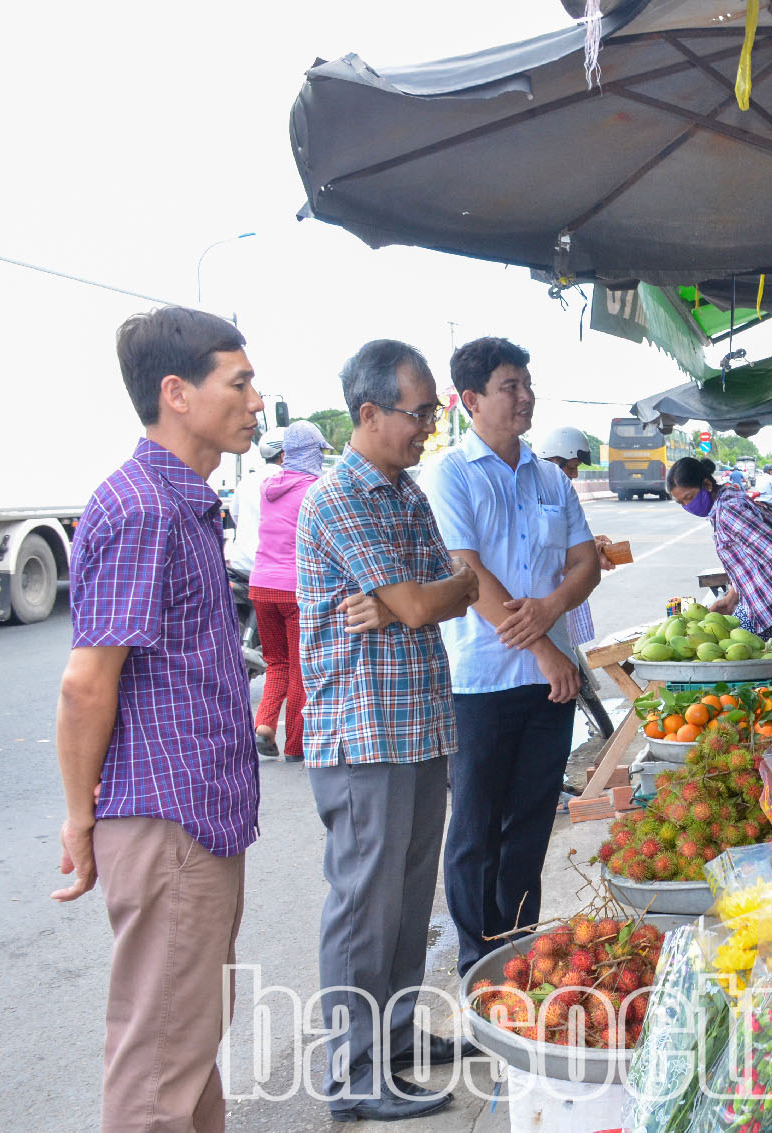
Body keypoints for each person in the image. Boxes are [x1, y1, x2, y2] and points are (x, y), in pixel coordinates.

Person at [52, 306, 263, 1133]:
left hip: (196, 816)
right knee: (157, 1075)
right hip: (167, 821)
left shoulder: (183, 503)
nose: (255, 400)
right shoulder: (143, 506)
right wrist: (80, 819)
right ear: (177, 393)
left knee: (185, 1049)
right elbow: (84, 684)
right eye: (239, 382)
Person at [296, 339, 479, 1122]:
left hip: (418, 725)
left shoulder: (403, 494)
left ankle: (397, 1037)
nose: (428, 427)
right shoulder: (338, 497)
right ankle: (352, 1071)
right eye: (419, 412)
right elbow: (418, 602)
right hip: (362, 737)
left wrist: (428, 595)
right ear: (367, 414)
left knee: (407, 903)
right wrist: (420, 597)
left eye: (432, 412)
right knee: (362, 909)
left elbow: (459, 588)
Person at [425, 340, 602, 979]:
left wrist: (552, 609)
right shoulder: (451, 473)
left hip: (545, 686)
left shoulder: (550, 475)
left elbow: (585, 562)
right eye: (509, 386)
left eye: (527, 383)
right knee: (476, 828)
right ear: (470, 400)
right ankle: (479, 963)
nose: (525, 396)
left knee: (529, 825)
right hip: (482, 681)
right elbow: (466, 572)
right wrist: (548, 650)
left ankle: (519, 948)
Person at [666, 455, 772, 638]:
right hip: (761, 600)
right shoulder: (724, 504)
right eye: (681, 503)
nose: (688, 505)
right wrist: (731, 599)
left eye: (689, 497)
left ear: (707, 485)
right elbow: (748, 561)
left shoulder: (730, 511)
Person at [250, 420, 331, 761]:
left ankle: (265, 725)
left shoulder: (269, 486)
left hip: (260, 585)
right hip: (295, 590)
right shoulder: (316, 489)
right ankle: (296, 745)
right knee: (300, 667)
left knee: (277, 662)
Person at [533, 424, 617, 655]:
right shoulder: (529, 493)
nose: (575, 474)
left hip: (561, 608)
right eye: (571, 467)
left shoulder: (559, 492)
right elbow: (542, 551)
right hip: (540, 610)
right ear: (551, 460)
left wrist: (589, 544)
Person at [226, 426, 281, 575]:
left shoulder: (248, 480)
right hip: (270, 571)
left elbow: (235, 514)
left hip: (240, 564)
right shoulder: (289, 482)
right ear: (283, 455)